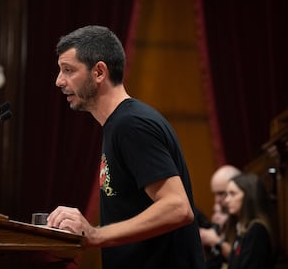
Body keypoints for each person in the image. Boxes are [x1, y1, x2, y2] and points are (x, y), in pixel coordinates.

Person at [46, 25, 205, 268]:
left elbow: (178, 207)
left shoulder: (131, 125)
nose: (59, 81)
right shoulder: (118, 124)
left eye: (68, 70)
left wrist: (95, 235)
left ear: (99, 72)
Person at [225, 173, 275, 268]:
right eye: (227, 194)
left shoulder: (257, 230)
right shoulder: (242, 229)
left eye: (232, 194)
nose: (226, 200)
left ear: (248, 196)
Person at [199, 164, 241, 268]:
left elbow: (241, 261)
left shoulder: (249, 221)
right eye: (214, 194)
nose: (217, 200)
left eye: (221, 193)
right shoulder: (221, 215)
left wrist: (215, 240)